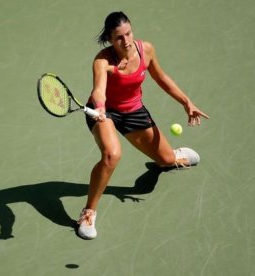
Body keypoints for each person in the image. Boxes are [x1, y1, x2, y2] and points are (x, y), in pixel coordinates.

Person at [76, 11, 209, 240]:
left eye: (128, 33)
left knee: (166, 161)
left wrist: (187, 103)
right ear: (109, 39)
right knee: (112, 155)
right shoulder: (103, 61)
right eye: (119, 37)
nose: (126, 41)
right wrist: (99, 106)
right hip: (104, 112)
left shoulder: (146, 49)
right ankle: (88, 212)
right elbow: (99, 89)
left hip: (134, 111)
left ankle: (171, 155)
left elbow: (162, 78)